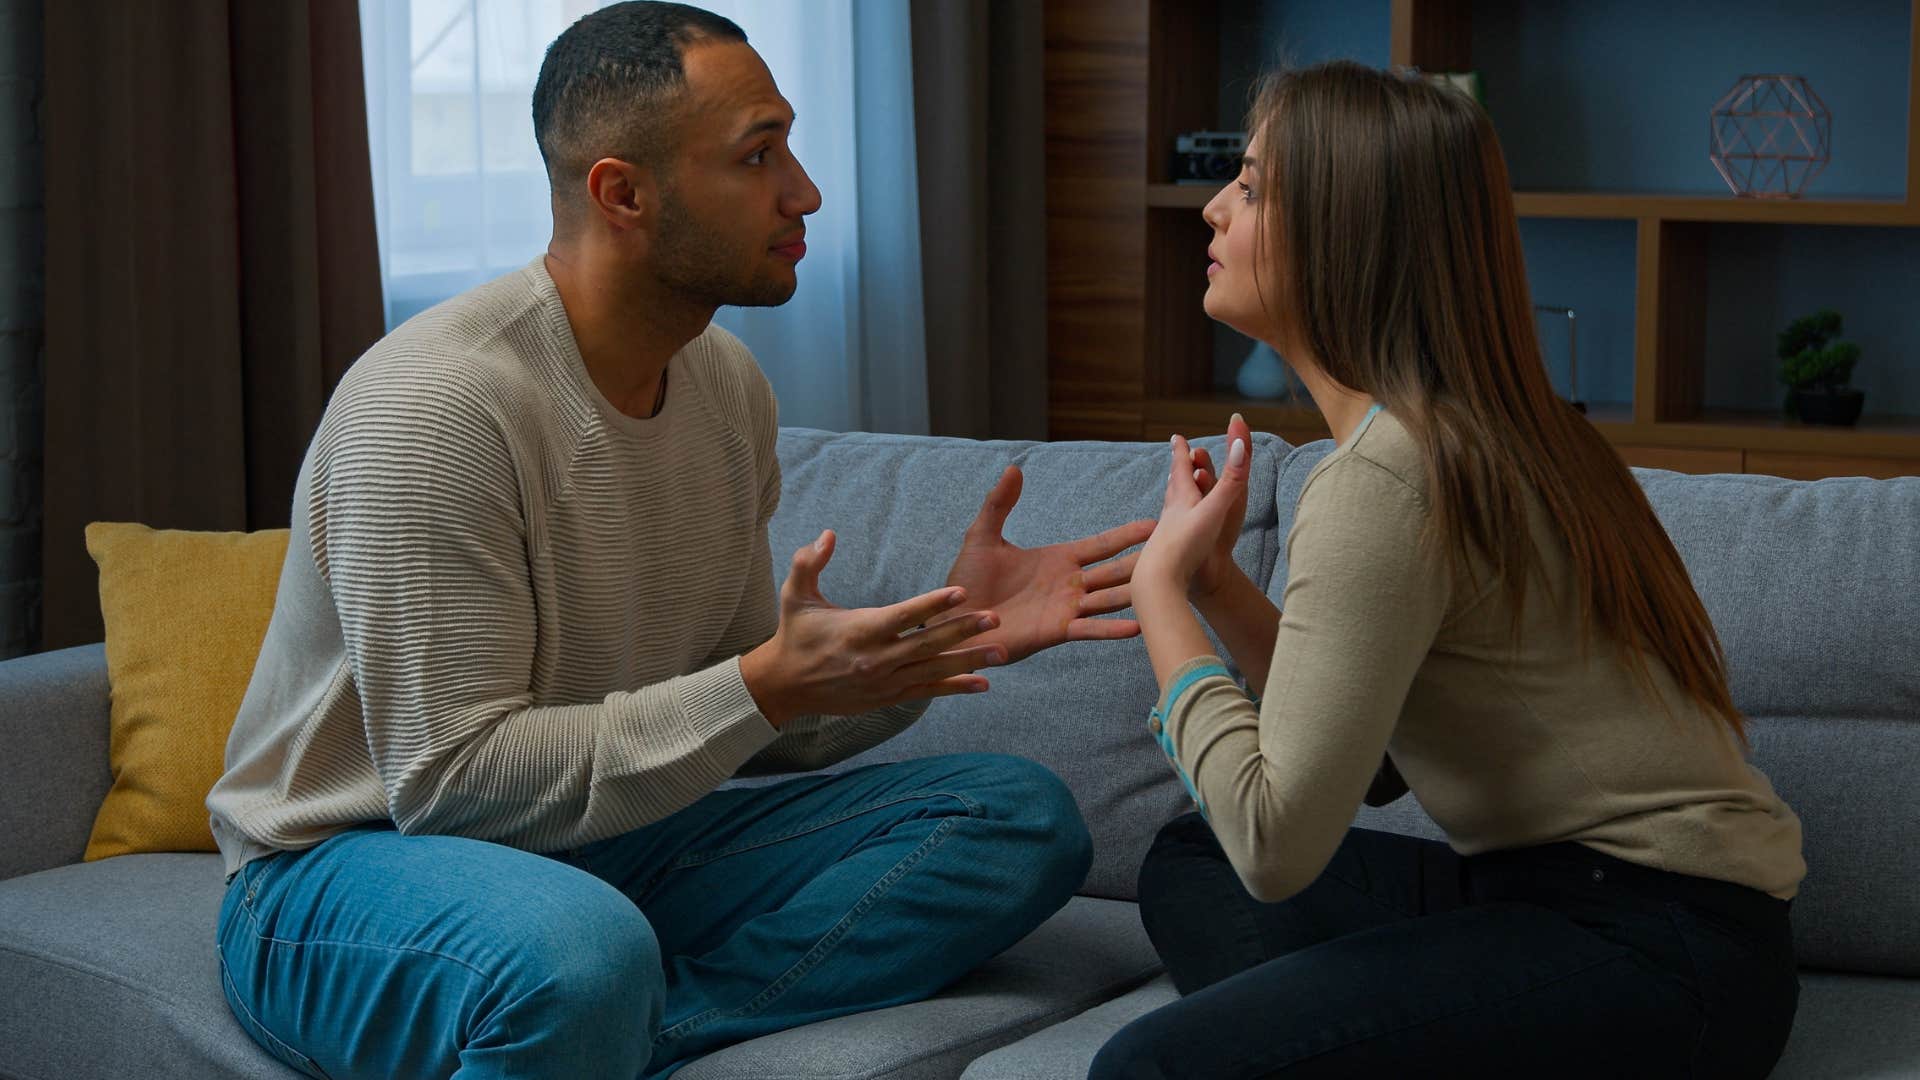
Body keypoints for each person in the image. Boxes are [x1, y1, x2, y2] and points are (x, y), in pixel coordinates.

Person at [206, 4, 1152, 1078]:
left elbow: (745, 716)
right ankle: (588, 1009)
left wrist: (951, 634)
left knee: (1015, 816)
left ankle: (622, 1034)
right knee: (577, 953)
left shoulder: (725, 385)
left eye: (789, 145)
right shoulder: (440, 411)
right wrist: (758, 688)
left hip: (601, 847)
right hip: (346, 867)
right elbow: (452, 785)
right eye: (759, 156)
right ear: (623, 193)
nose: (805, 192)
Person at [1096, 61, 1804, 1079]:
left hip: (1658, 953)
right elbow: (1372, 768)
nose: (1210, 208)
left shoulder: (1389, 477)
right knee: (1186, 860)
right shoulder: (1491, 434)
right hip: (1591, 909)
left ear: (1345, 231)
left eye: (1249, 188)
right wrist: (1214, 581)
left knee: (1150, 1065)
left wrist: (1157, 590)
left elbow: (1273, 838)